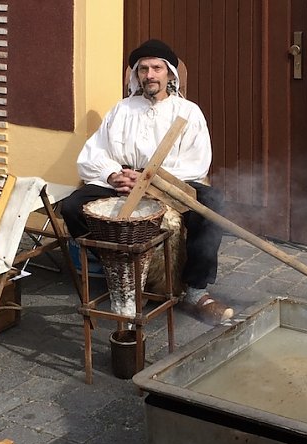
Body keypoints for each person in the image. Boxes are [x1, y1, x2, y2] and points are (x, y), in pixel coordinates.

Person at [60, 39, 232, 324]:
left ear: (169, 74)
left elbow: (196, 162)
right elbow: (96, 151)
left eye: (156, 68)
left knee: (212, 205)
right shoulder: (122, 109)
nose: (149, 75)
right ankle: (115, 269)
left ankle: (194, 289)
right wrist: (114, 175)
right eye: (143, 69)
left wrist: (151, 180)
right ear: (136, 75)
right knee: (72, 206)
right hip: (123, 180)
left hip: (172, 182)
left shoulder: (188, 112)